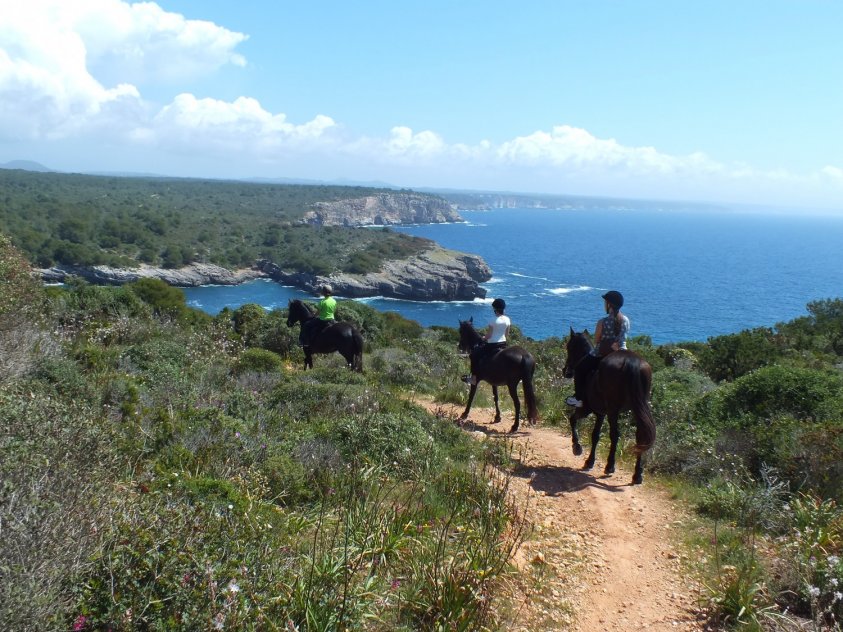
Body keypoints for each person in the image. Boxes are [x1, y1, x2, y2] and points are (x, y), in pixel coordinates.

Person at [566, 290, 630, 408]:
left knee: (579, 369)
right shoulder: (626, 320)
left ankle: (578, 399)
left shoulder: (602, 322)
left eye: (605, 302)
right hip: (622, 352)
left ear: (609, 304)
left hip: (601, 353)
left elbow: (596, 340)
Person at [462, 298, 511, 385]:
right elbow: (507, 334)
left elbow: (489, 336)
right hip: (503, 344)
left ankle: (473, 379)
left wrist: (483, 338)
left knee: (474, 355)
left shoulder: (493, 320)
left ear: (495, 309)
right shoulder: (507, 319)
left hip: (492, 345)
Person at [300, 284, 337, 349]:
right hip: (332, 319)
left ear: (323, 293)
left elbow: (318, 313)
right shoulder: (334, 301)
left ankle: (305, 343)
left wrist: (313, 316)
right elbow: (334, 311)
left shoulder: (322, 301)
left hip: (323, 320)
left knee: (306, 325)